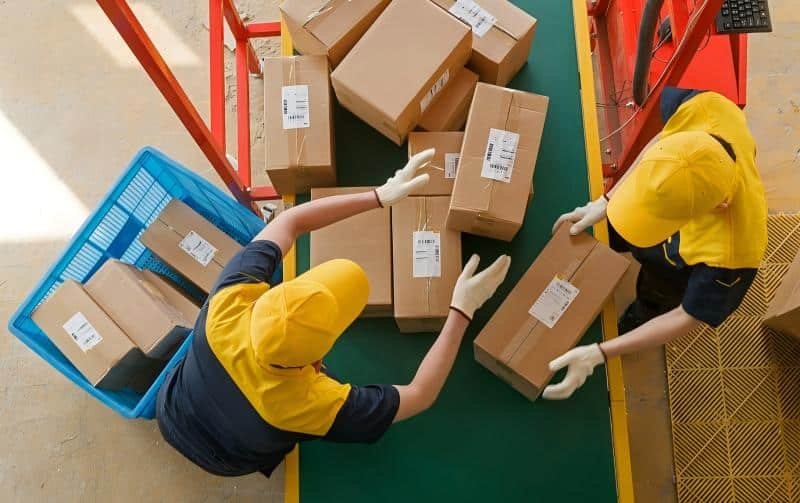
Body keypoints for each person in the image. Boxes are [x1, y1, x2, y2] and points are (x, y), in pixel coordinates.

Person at [156, 149, 511, 477]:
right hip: (227, 457)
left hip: (171, 405)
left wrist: (379, 195)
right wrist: (462, 309)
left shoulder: (228, 302)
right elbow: (419, 395)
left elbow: (290, 222)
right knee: (274, 436)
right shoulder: (307, 405)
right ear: (317, 360)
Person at [543, 87, 767, 400]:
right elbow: (664, 140)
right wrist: (607, 201)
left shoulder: (734, 253)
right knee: (613, 231)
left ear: (718, 206)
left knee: (656, 294)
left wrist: (600, 353)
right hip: (657, 202)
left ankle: (642, 314)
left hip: (675, 265)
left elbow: (687, 315)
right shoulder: (709, 108)